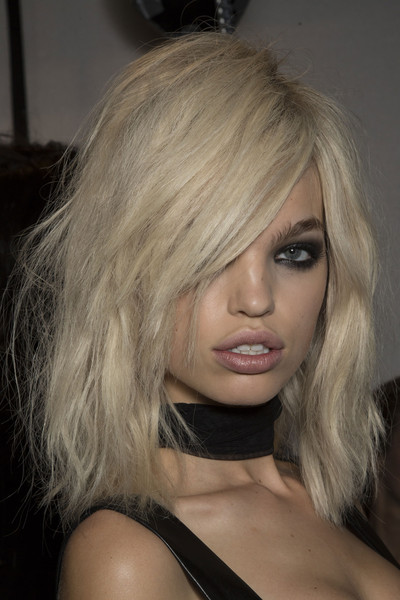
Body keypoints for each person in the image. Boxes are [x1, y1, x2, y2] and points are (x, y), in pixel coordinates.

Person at [11, 32, 400, 598]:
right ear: (128, 270)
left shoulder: (323, 495)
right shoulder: (124, 556)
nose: (256, 299)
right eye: (210, 251)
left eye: (295, 253)